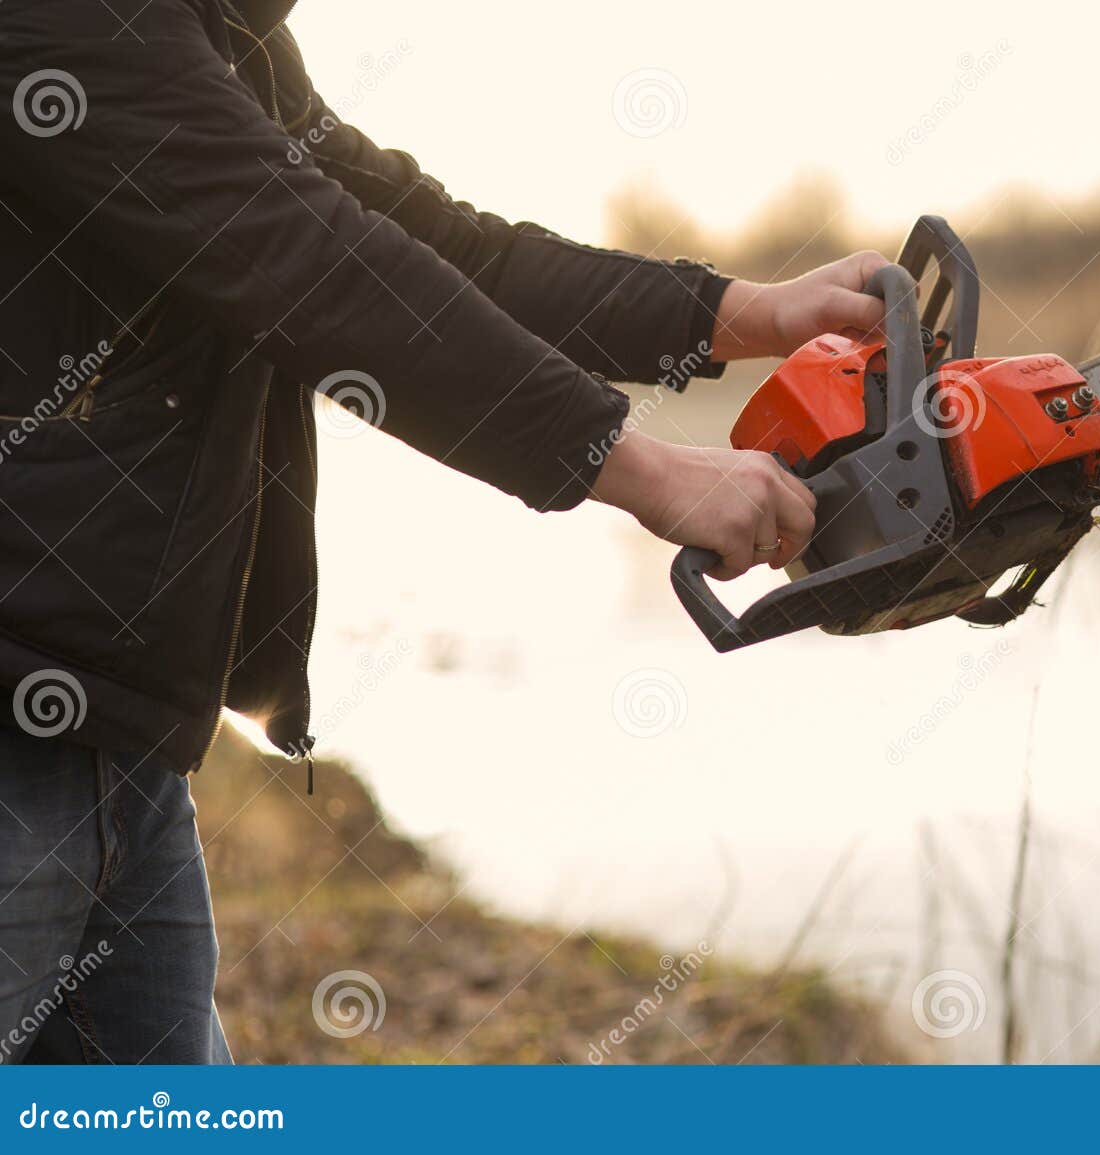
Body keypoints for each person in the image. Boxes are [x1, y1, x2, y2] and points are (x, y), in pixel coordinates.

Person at [0, 0, 889, 1063]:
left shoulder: (224, 33)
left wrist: (742, 314)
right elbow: (312, 264)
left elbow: (428, 244)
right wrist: (645, 469)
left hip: (117, 735)